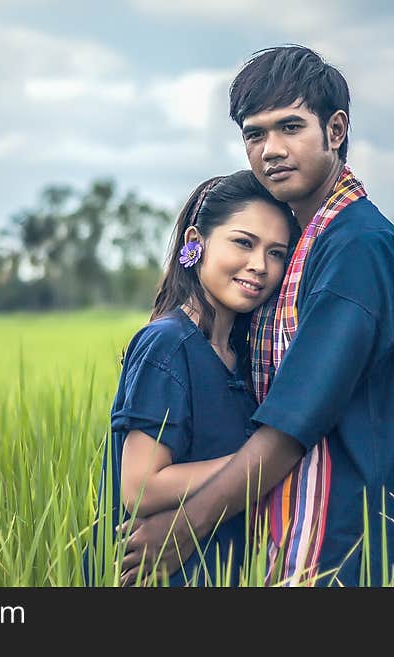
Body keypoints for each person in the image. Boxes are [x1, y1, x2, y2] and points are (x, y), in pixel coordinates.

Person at [118, 45, 394, 587]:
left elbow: (293, 424)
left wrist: (188, 525)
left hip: (349, 545)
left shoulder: (357, 246)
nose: (271, 150)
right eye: (254, 133)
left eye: (290, 126)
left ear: (335, 130)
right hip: (296, 533)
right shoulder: (305, 243)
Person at [84, 170, 296, 586]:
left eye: (276, 253)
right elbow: (141, 487)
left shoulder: (244, 357)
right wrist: (264, 464)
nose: (259, 266)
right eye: (243, 242)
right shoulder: (168, 344)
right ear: (195, 242)